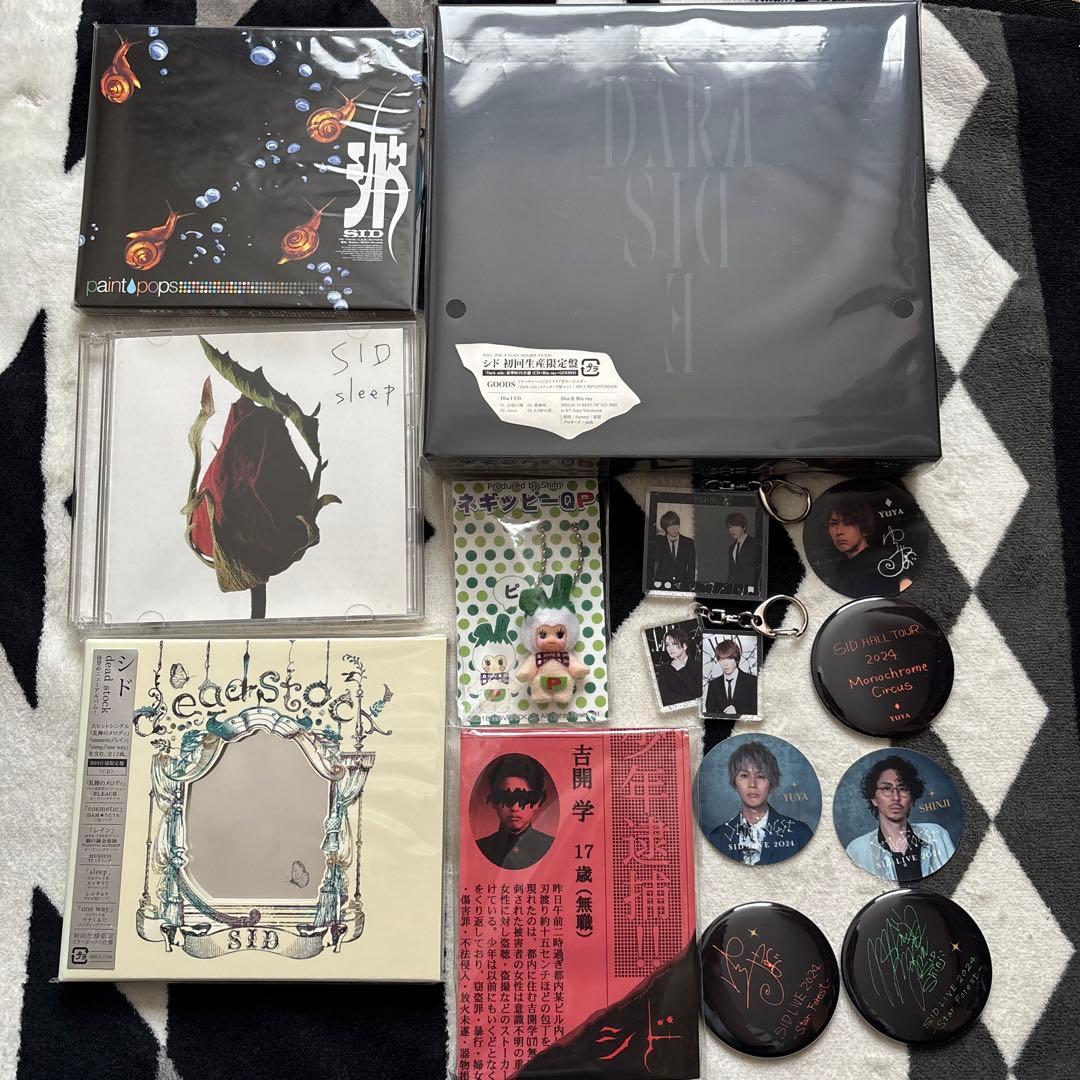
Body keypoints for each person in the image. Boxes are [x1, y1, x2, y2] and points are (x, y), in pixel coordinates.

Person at [845, 756, 955, 881]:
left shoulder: (937, 835)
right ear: (874, 799)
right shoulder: (857, 850)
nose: (896, 797)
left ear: (911, 798)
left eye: (903, 789)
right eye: (886, 788)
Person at [706, 741, 813, 865]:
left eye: (761, 776)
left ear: (771, 783)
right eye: (744, 775)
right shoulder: (717, 837)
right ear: (734, 782)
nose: (752, 784)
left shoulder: (800, 834)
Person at [820, 491, 911, 595]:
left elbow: (905, 584)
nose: (839, 531)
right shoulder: (839, 568)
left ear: (864, 527)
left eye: (848, 523)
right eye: (833, 523)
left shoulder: (883, 560)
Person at [476, 754, 555, 871]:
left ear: (537, 801)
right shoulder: (481, 847)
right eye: (506, 797)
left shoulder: (552, 847)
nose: (514, 807)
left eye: (523, 798)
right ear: (493, 801)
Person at [704, 638, 757, 716]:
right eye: (721, 659)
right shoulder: (713, 685)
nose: (725, 664)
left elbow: (757, 711)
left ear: (736, 659)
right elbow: (710, 714)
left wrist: (738, 712)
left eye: (729, 658)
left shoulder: (753, 682)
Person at [654, 625, 702, 707]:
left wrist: (682, 669)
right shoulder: (664, 668)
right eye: (667, 645)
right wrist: (691, 699)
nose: (670, 648)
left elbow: (698, 692)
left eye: (674, 643)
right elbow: (665, 696)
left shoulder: (698, 666)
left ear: (684, 646)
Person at [648, 510, 696, 590]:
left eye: (676, 525)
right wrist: (659, 539)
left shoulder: (689, 542)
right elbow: (655, 558)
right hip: (662, 585)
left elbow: (691, 566)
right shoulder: (659, 541)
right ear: (665, 528)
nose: (674, 529)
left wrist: (691, 585)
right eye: (670, 526)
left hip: (682, 586)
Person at [725, 512, 759, 588]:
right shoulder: (731, 548)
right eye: (730, 527)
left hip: (749, 588)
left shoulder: (754, 543)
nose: (732, 530)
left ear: (744, 527)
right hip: (734, 588)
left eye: (735, 526)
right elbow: (732, 572)